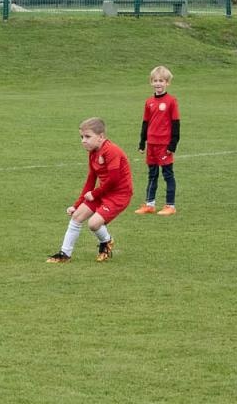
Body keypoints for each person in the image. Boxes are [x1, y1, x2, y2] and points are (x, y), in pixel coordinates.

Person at [46, 118, 131, 263]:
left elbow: (114, 179)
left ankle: (107, 241)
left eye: (87, 136)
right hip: (103, 191)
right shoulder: (93, 152)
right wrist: (76, 205)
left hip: (118, 194)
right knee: (77, 216)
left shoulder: (111, 151)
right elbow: (91, 180)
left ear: (101, 136)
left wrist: (95, 193)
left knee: (93, 224)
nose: (83, 141)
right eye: (81, 137)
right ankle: (64, 254)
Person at [134, 65, 181, 216]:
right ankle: (150, 204)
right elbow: (145, 123)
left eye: (161, 80)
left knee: (168, 174)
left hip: (164, 145)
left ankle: (170, 205)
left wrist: (172, 145)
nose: (158, 83)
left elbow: (175, 124)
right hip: (151, 145)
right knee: (152, 174)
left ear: (167, 83)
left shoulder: (171, 101)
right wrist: (142, 142)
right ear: (151, 82)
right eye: (155, 80)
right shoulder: (149, 102)